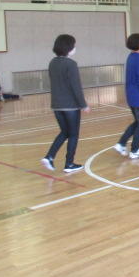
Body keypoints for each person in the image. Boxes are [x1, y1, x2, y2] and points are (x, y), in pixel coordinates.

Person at [41, 34, 89, 173]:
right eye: (73, 45)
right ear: (69, 47)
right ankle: (69, 163)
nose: (75, 48)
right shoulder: (71, 64)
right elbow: (76, 86)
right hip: (70, 106)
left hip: (56, 105)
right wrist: (83, 104)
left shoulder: (52, 62)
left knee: (65, 132)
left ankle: (49, 156)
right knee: (73, 134)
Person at [113, 33, 139, 160]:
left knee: (138, 122)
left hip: (132, 96)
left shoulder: (131, 57)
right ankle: (135, 150)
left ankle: (121, 143)